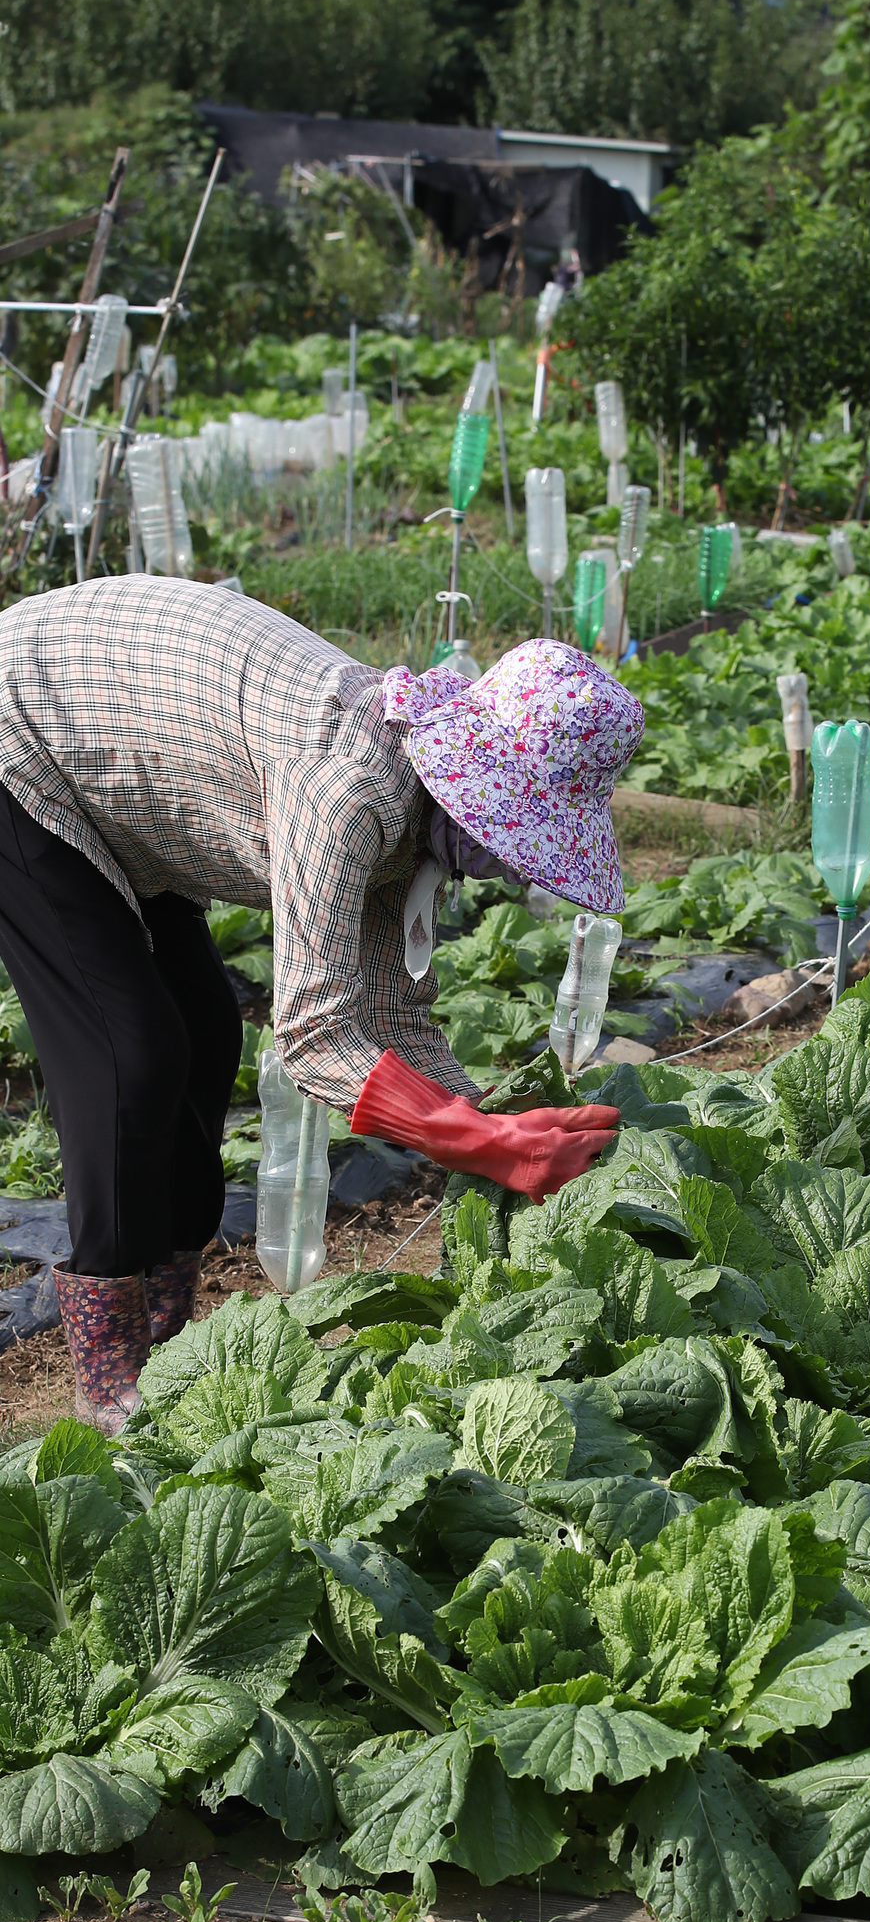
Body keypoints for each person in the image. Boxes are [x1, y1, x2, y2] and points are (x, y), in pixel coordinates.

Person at [0, 576, 641, 1432]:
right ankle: (107, 1379)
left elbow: (395, 1012)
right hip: (27, 737)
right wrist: (474, 1141)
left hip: (131, 777)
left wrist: (495, 1117)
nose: (522, 867)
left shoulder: (415, 816)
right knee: (131, 1055)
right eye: (519, 833)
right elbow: (312, 1031)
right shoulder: (348, 791)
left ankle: (166, 1325)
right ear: (473, 788)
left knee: (205, 1028)